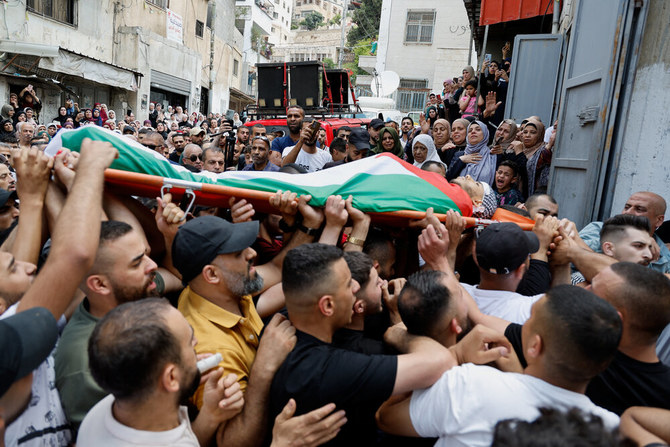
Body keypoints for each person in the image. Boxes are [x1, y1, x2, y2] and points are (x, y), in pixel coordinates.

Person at [377, 285, 621, 447]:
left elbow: (386, 418)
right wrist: (518, 374)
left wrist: (455, 355)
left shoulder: (470, 384)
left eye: (530, 318)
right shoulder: (612, 431)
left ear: (535, 346)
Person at [268, 243, 455, 446]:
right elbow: (441, 361)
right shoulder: (329, 369)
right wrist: (396, 330)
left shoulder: (277, 330)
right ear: (328, 305)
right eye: (348, 284)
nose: (356, 287)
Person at [1, 140, 118, 446]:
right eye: (13, 268)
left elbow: (95, 271)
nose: (30, 268)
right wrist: (90, 170)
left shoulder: (22, 327)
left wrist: (50, 187)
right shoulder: (5, 344)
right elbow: (78, 258)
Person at [172, 210, 320, 446]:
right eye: (240, 252)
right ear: (211, 274)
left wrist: (310, 225)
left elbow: (279, 269)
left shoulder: (223, 288)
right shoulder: (213, 351)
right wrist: (263, 369)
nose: (252, 253)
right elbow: (233, 440)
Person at [78, 298, 244, 446]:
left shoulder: (104, 411)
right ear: (171, 377)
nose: (197, 342)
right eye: (189, 342)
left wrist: (210, 415)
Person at [54, 220, 164, 430]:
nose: (152, 265)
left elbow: (176, 277)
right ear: (100, 285)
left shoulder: (134, 293)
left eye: (145, 255)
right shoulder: (86, 365)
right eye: (137, 262)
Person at [579, 191, 670, 274]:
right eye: (627, 207)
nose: (628, 212)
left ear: (659, 220)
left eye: (639, 209)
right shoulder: (599, 228)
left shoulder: (665, 256)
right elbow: (574, 252)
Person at [446, 120, 496, 185]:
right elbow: (448, 178)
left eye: (478, 130)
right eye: (470, 131)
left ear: (485, 133)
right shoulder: (460, 155)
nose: (473, 132)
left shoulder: (492, 155)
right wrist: (461, 161)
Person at [521, 118, 551, 197]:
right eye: (525, 132)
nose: (527, 135)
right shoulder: (518, 148)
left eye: (533, 132)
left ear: (540, 135)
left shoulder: (544, 151)